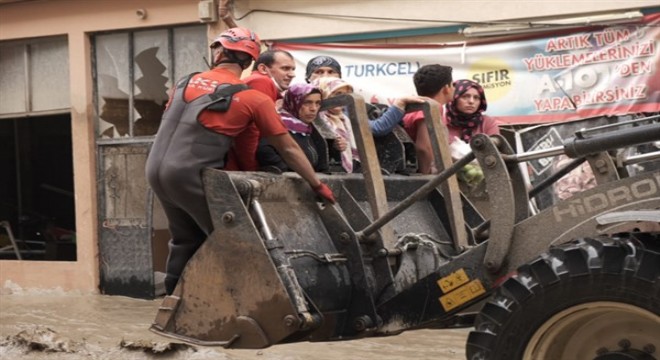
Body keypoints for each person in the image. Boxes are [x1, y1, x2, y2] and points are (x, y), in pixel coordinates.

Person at [145, 27, 335, 295]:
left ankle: (172, 309)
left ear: (220, 52)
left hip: (154, 169)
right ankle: (249, 310)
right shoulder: (253, 98)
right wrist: (316, 185)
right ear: (252, 63)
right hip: (189, 174)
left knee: (185, 240)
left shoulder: (183, 83)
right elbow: (289, 148)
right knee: (238, 243)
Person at [257, 83, 326, 172]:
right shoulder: (279, 124)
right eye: (307, 102)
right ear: (293, 102)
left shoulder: (311, 128)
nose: (314, 108)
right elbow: (264, 151)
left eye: (318, 103)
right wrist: (289, 171)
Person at [402, 64, 455, 174]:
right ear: (446, 88)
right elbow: (424, 148)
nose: (454, 88)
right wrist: (428, 179)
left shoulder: (417, 107)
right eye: (452, 85)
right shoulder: (429, 107)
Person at [445, 79, 500, 144]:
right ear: (454, 98)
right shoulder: (442, 122)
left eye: (476, 98)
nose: (471, 101)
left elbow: (494, 150)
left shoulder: (487, 122)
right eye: (465, 96)